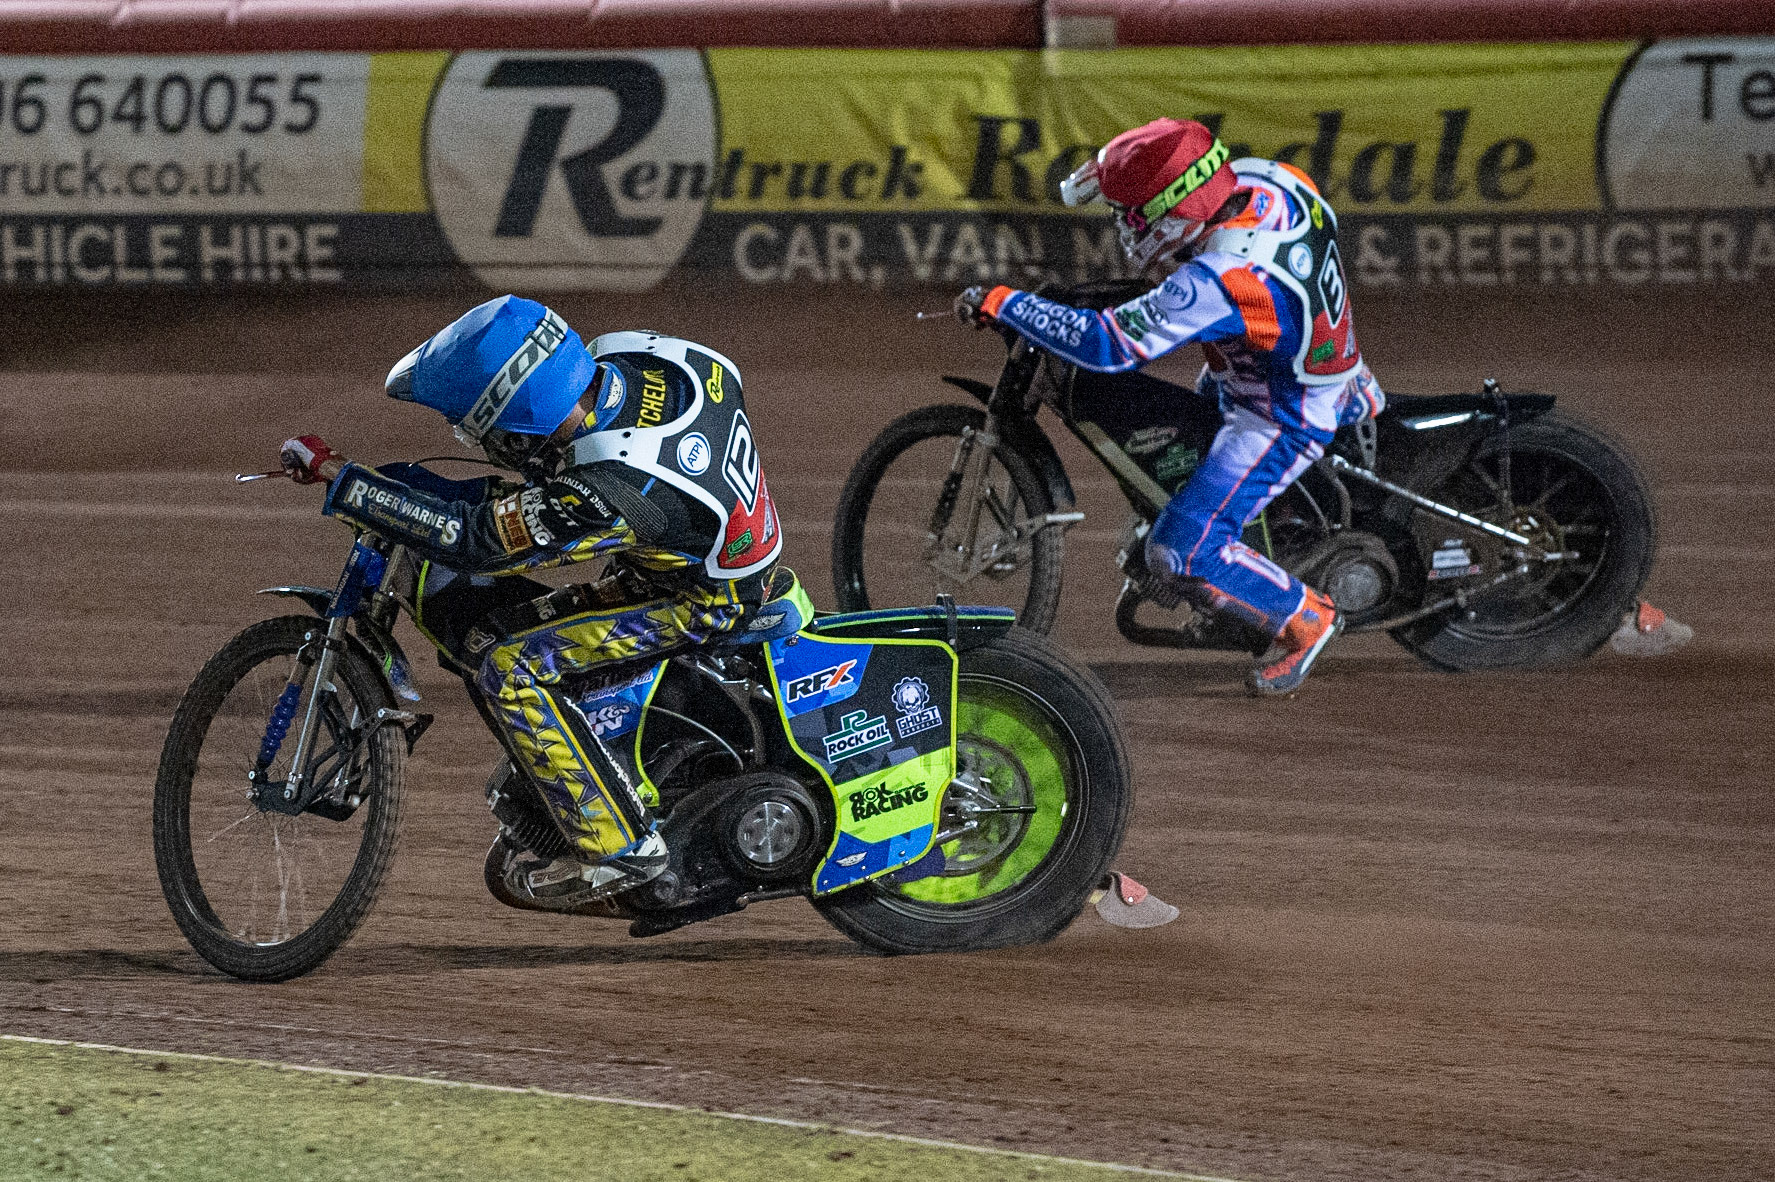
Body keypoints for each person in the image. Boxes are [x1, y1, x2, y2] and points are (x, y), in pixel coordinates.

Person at [278, 295, 783, 903]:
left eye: (479, 431)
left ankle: (621, 850)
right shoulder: (644, 358)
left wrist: (347, 482)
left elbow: (475, 541)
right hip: (716, 545)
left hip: (698, 599)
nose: (474, 442)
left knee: (509, 663)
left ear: (517, 427)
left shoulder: (610, 487)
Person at [956, 117, 1385, 695]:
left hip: (1281, 414)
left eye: (1132, 215)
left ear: (1176, 210)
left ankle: (1305, 619)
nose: (1124, 227)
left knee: (1178, 551)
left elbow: (1109, 345)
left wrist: (1008, 303)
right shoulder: (1270, 179)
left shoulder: (1224, 276)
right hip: (1298, 358)